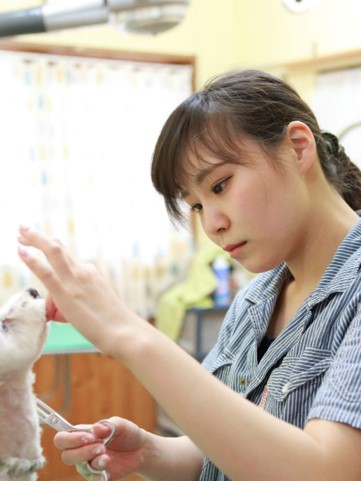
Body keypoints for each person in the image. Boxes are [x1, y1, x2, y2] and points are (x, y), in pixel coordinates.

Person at [17, 69, 361, 481]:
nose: (212, 224)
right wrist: (149, 453)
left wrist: (128, 334)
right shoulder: (253, 302)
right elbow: (220, 451)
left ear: (297, 148)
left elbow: (329, 471)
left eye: (219, 186)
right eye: (195, 206)